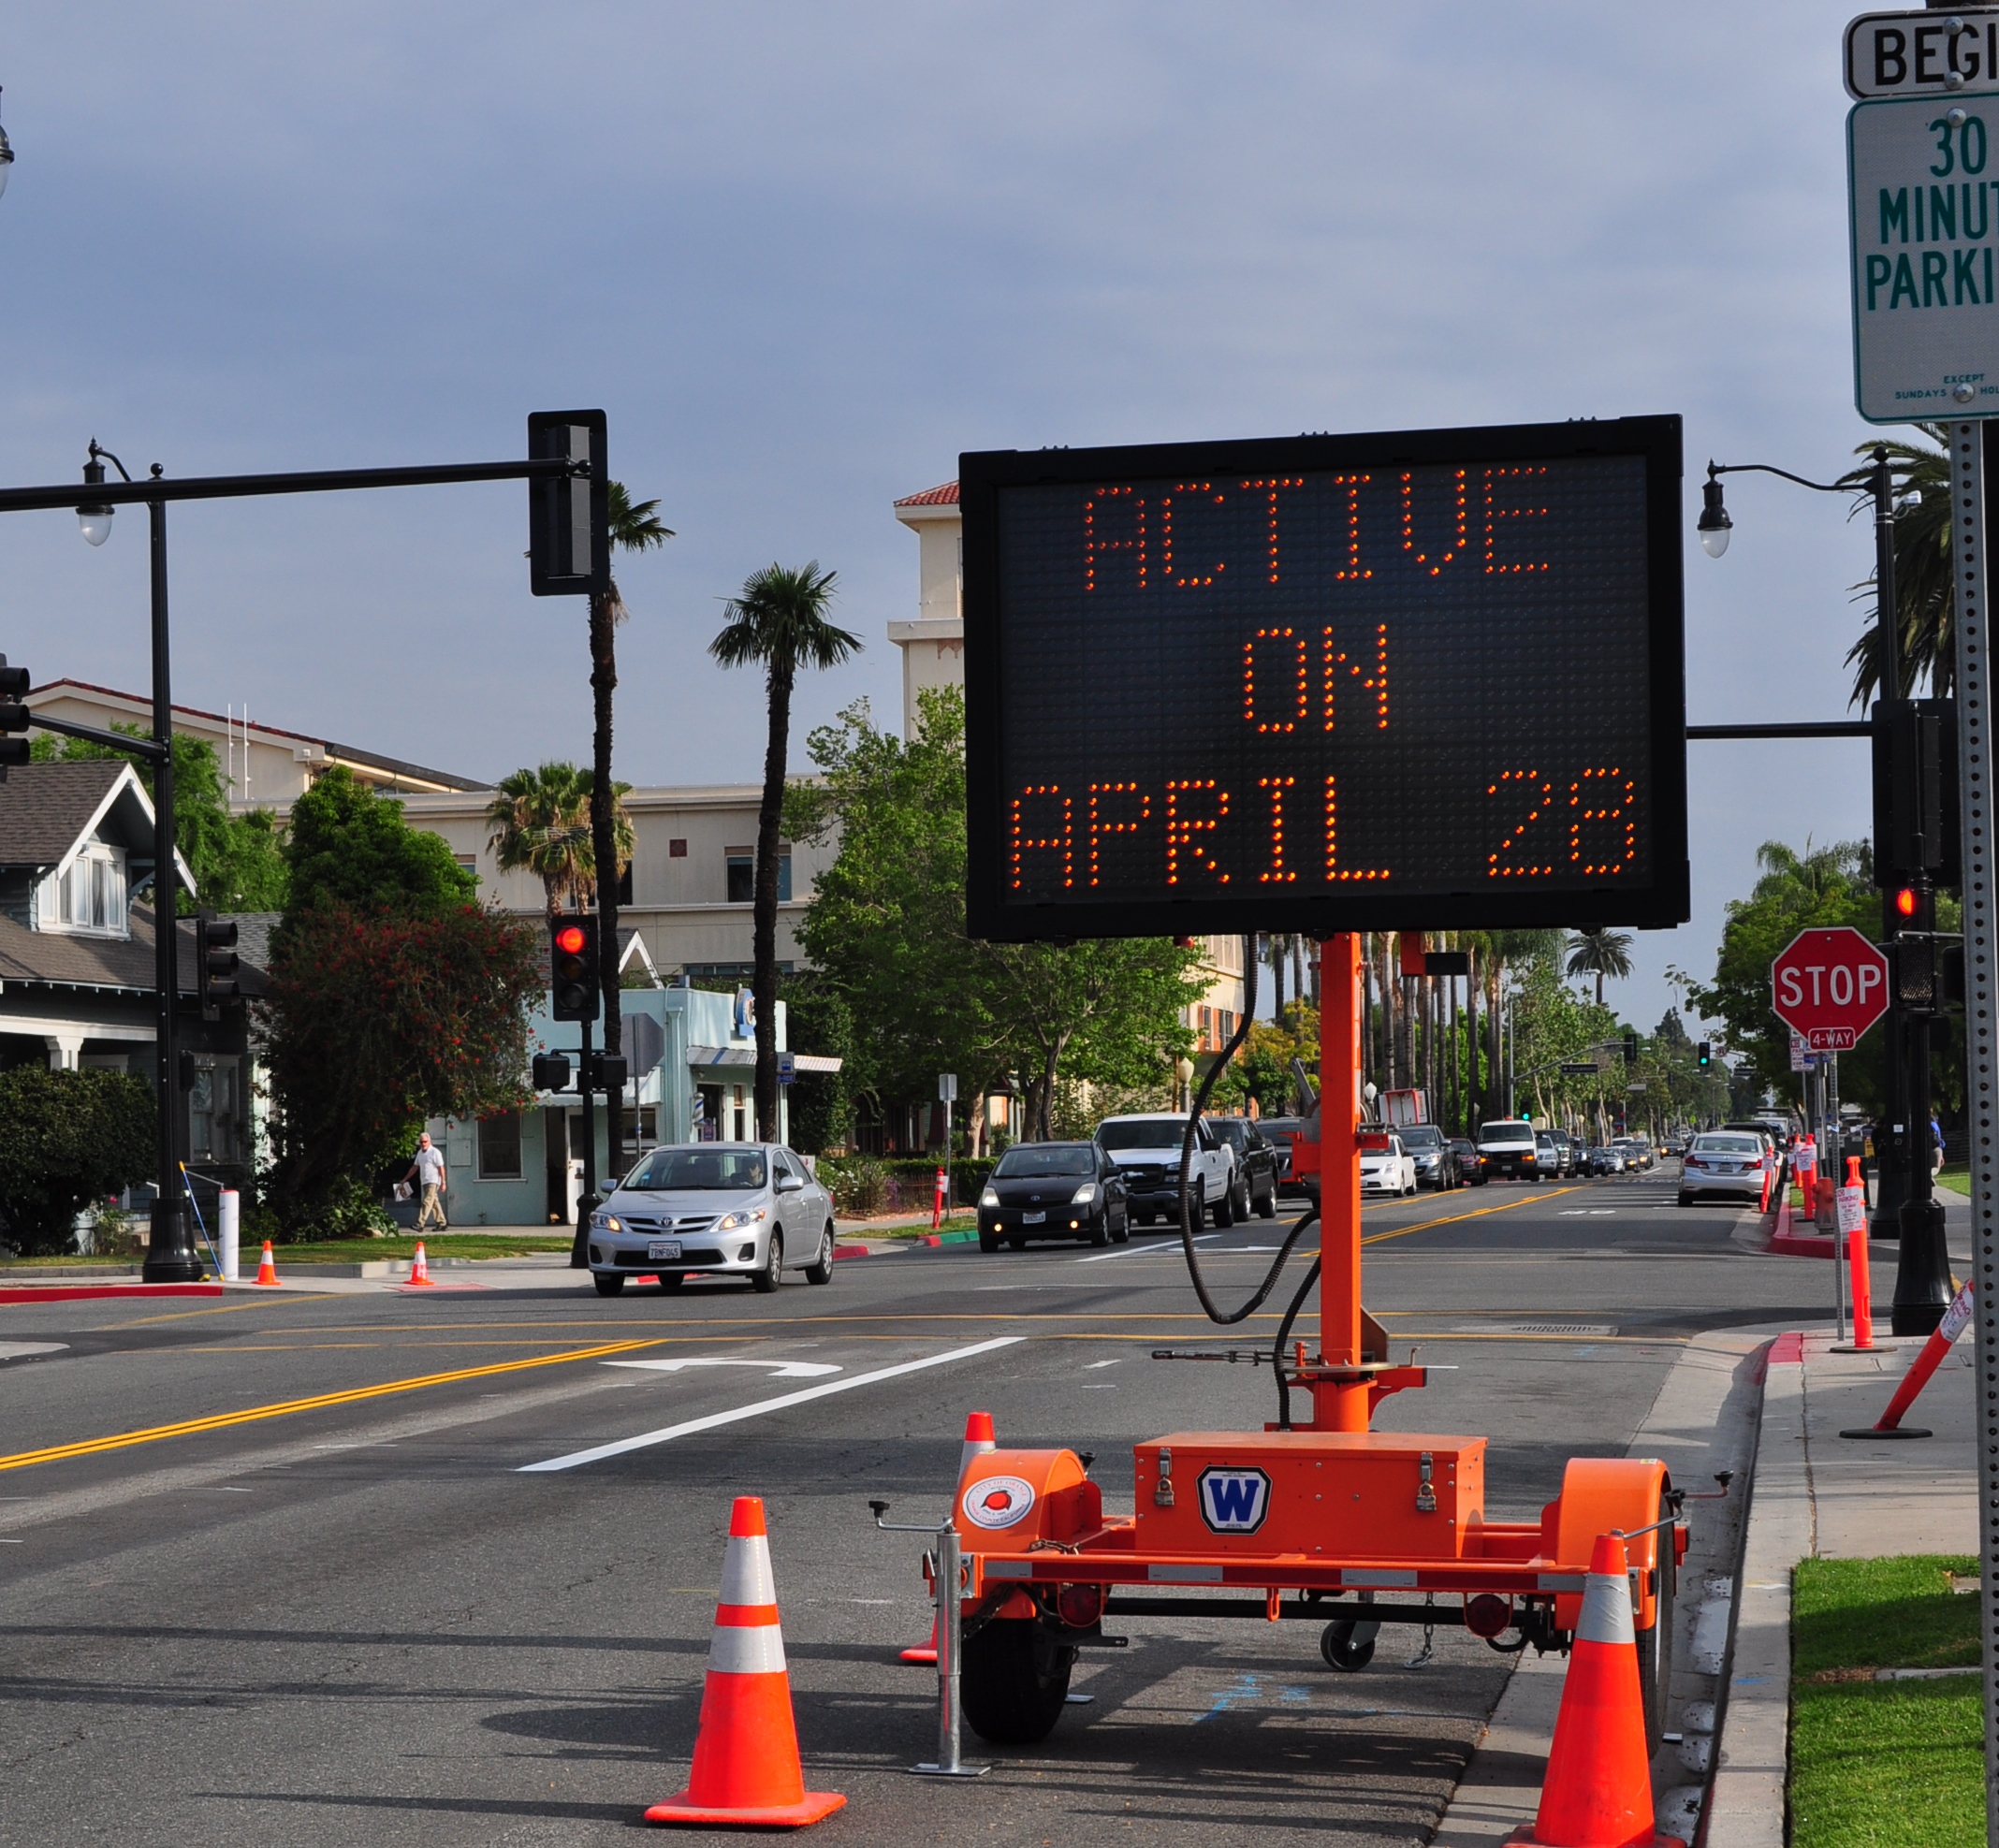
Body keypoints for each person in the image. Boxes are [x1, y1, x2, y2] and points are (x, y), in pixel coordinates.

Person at [405, 1131, 447, 1232]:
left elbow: (441, 1168)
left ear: (429, 1141)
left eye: (425, 1142)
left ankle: (420, 1224)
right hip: (424, 1181)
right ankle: (442, 1223)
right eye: (421, 1142)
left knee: (427, 1202)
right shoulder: (420, 1153)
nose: (423, 1144)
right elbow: (414, 1167)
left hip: (433, 1181)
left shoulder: (435, 1152)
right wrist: (405, 1179)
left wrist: (443, 1182)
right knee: (434, 1202)